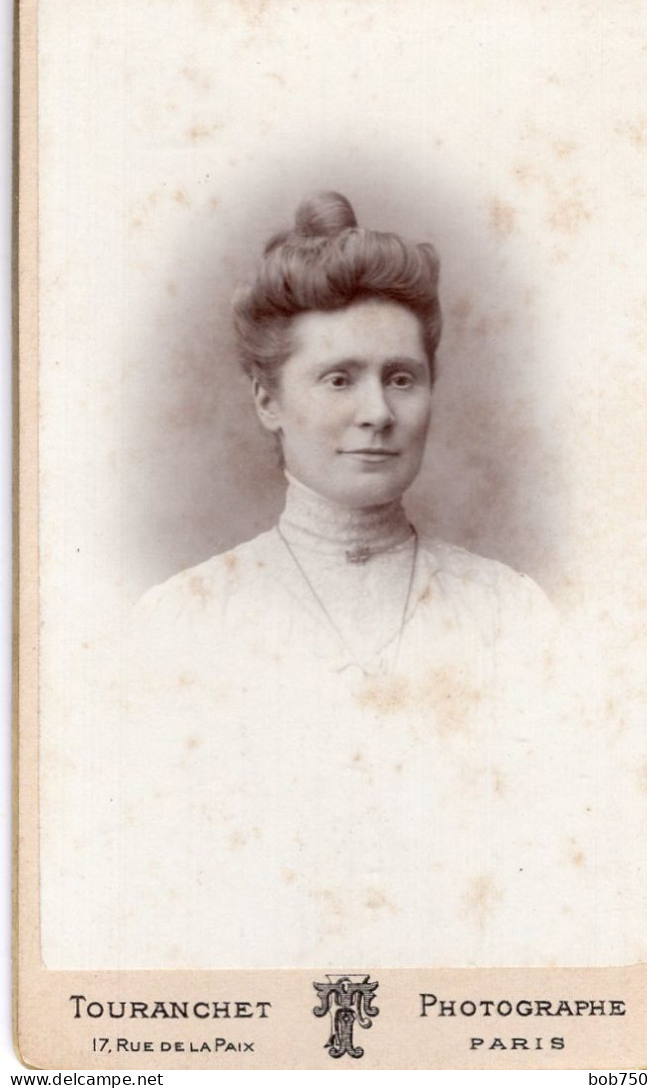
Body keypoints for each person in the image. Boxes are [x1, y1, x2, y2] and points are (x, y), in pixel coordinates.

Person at [120, 193, 597, 970]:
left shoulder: (511, 615)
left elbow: (564, 880)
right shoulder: (182, 622)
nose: (378, 411)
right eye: (339, 379)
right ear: (268, 399)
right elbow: (147, 897)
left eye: (402, 378)